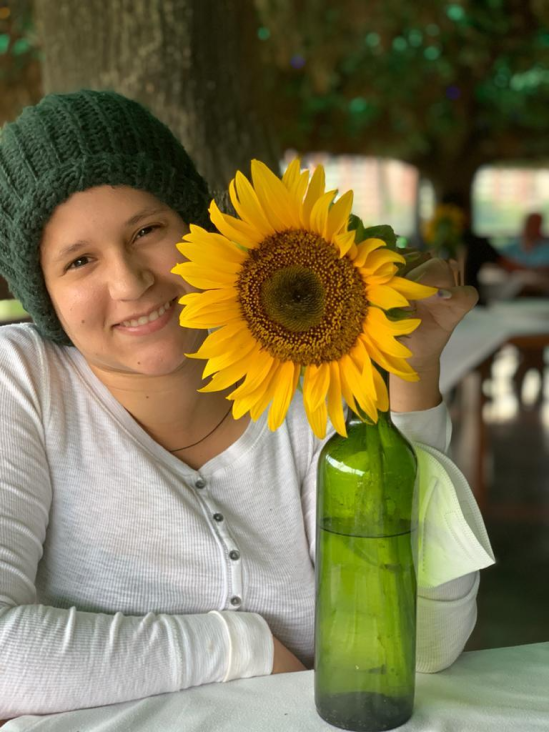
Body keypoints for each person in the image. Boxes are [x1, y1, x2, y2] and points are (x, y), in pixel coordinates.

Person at [0, 90, 490, 720]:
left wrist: (410, 380)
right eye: (80, 261)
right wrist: (240, 647)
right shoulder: (25, 381)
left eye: (148, 230)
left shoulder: (316, 361)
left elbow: (424, 647)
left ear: (200, 231)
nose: (128, 283)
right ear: (44, 295)